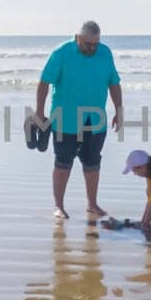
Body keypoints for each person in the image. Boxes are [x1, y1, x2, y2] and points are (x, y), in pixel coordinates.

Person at [34, 20, 123, 220]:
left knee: (93, 163)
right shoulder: (61, 53)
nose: (92, 48)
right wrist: (39, 112)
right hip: (65, 119)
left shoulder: (105, 53)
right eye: (88, 44)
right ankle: (59, 206)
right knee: (63, 163)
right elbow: (44, 82)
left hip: (95, 119)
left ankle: (92, 204)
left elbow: (114, 83)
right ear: (78, 38)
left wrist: (119, 111)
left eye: (95, 44)